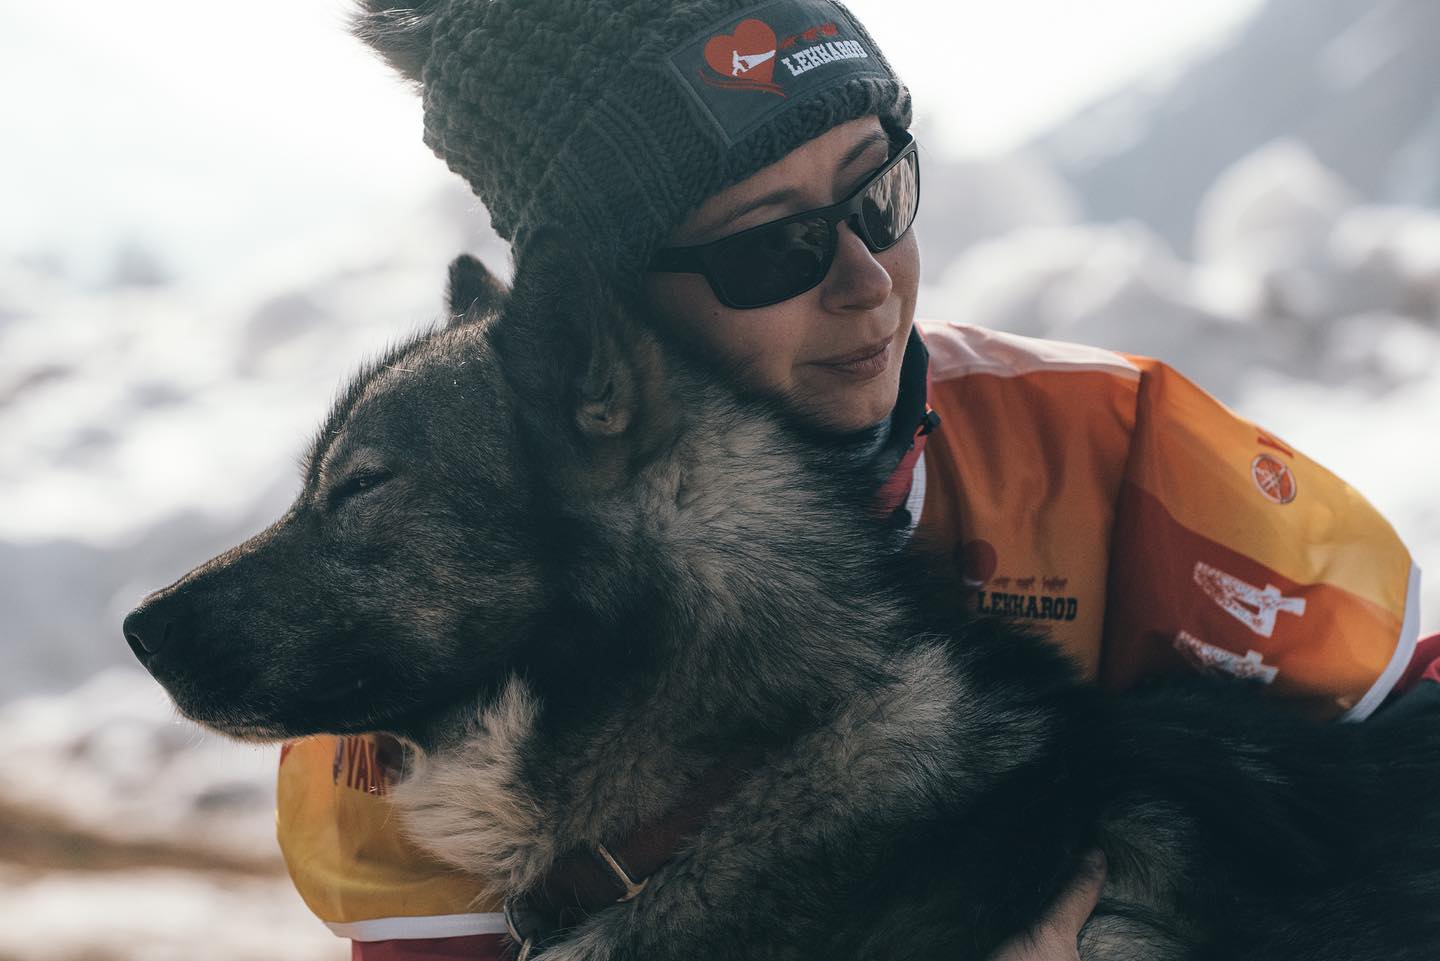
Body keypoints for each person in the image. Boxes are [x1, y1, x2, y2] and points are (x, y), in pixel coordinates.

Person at [275, 1, 1431, 958]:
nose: (869, 281)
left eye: (878, 195)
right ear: (602, 324)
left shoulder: (1117, 448)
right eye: (770, 245)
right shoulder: (435, 632)